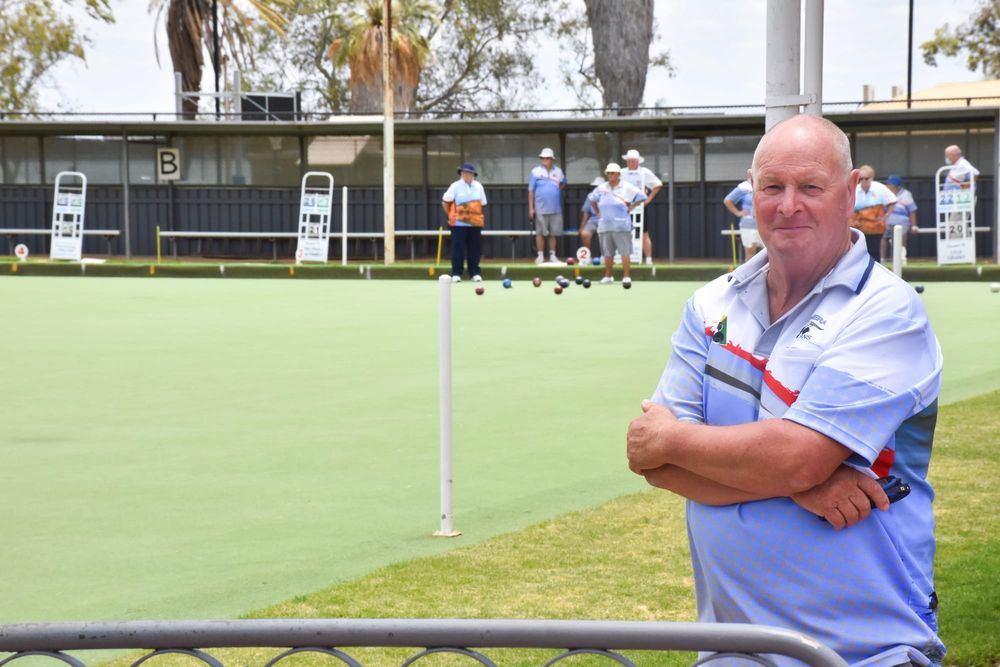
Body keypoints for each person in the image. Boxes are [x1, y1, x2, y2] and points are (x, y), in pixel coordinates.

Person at [626, 115, 944, 666]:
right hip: (730, 651)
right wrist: (800, 486)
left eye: (811, 187)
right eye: (772, 187)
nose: (788, 205)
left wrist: (787, 468)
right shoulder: (709, 306)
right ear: (752, 191)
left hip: (866, 652)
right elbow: (654, 461)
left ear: (849, 195)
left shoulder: (888, 311)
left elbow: (797, 456)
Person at [589, 163, 646, 286]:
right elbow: (592, 200)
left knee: (624, 252)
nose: (610, 175)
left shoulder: (627, 187)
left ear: (618, 174)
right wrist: (598, 213)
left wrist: (631, 207)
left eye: (612, 173)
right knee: (607, 253)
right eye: (608, 173)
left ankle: (626, 276)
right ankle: (608, 276)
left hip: (622, 225)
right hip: (605, 225)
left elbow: (642, 196)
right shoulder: (601, 187)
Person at [441, 162, 487, 283]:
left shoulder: (479, 186)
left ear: (473, 175)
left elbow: (482, 203)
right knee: (458, 249)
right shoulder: (455, 186)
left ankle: (475, 273)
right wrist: (451, 215)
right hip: (458, 224)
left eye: (469, 173)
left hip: (475, 224)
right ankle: (456, 273)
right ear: (461, 174)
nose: (466, 175)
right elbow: (445, 202)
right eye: (464, 173)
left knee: (475, 249)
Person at [620, 149, 663, 265]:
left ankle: (648, 258)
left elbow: (658, 184)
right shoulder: (621, 172)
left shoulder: (644, 172)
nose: (631, 163)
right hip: (623, 206)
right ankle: (622, 258)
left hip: (639, 206)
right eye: (629, 161)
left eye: (633, 161)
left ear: (638, 161)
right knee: (621, 232)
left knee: (644, 233)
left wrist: (648, 200)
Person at [528, 147, 567, 265]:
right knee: (540, 233)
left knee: (553, 233)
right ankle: (540, 256)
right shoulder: (535, 172)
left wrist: (555, 191)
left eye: (547, 158)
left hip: (555, 208)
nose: (545, 160)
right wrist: (531, 208)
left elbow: (563, 183)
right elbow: (531, 190)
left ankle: (552, 256)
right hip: (540, 208)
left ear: (552, 159)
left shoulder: (559, 171)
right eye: (543, 158)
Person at [851, 164, 896, 261]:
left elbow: (892, 202)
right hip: (858, 225)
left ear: (872, 178)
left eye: (866, 178)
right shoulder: (855, 189)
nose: (863, 181)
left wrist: (886, 216)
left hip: (875, 226)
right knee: (859, 252)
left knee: (874, 251)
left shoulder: (880, 188)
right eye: (860, 179)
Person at [722, 178, 764, 261]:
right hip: (748, 225)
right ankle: (749, 273)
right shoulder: (744, 187)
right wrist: (738, 213)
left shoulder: (767, 184)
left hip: (766, 224)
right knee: (750, 253)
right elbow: (727, 200)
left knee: (769, 252)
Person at [882, 174, 918, 265]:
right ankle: (882, 259)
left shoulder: (906, 194)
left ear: (895, 186)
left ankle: (901, 259)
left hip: (902, 222)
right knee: (883, 238)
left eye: (889, 184)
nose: (887, 186)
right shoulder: (884, 194)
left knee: (901, 238)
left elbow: (912, 211)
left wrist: (914, 225)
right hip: (887, 221)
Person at [578, 177, 605, 259]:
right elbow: (586, 212)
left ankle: (605, 257)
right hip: (593, 220)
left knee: (607, 235)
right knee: (585, 233)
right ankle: (587, 257)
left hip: (606, 221)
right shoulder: (590, 196)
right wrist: (582, 227)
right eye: (596, 186)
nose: (597, 188)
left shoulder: (609, 195)